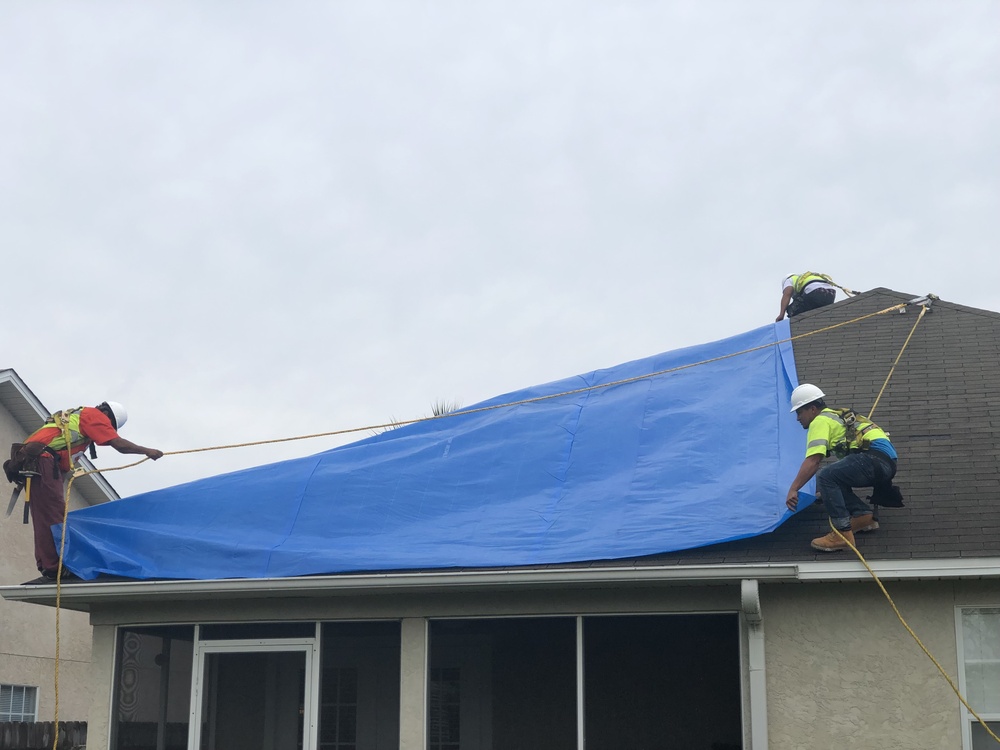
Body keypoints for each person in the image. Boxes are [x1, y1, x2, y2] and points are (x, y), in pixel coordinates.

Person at [12, 401, 163, 579]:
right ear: (107, 415)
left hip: (35, 460)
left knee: (46, 515)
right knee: (53, 515)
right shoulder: (93, 415)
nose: (108, 429)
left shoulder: (80, 418)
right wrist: (147, 451)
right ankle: (53, 567)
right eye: (111, 426)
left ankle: (48, 564)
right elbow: (119, 444)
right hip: (42, 460)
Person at [784, 384, 898, 552]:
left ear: (813, 409)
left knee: (826, 476)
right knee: (832, 479)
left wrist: (793, 489)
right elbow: (844, 471)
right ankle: (863, 517)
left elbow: (813, 460)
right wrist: (826, 493)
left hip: (874, 459)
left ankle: (842, 535)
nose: (797, 418)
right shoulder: (835, 417)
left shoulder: (820, 420)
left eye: (799, 412)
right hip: (885, 463)